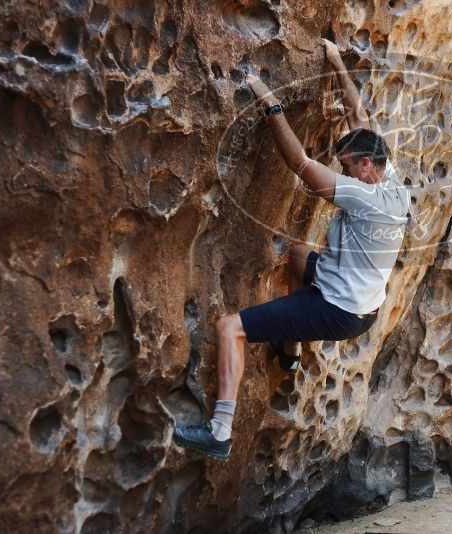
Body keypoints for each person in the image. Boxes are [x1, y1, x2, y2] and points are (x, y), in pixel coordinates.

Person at [173, 39, 410, 460]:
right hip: (364, 311)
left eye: (347, 166)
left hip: (335, 310)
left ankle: (220, 432)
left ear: (366, 167)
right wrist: (336, 60)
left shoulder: (362, 196)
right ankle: (291, 349)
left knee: (231, 328)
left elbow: (300, 164)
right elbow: (360, 116)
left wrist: (270, 102)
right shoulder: (392, 184)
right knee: (299, 255)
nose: (343, 171)